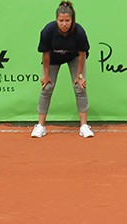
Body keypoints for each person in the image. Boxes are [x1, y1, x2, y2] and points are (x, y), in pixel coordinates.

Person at [31, 1, 94, 139]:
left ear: (72, 20)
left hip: (74, 57)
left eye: (67, 20)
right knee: (46, 88)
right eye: (61, 20)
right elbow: (46, 54)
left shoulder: (79, 31)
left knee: (80, 87)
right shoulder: (48, 31)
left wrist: (79, 75)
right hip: (53, 58)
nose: (64, 24)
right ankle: (40, 126)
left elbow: (82, 54)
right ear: (56, 20)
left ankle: (84, 126)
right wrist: (46, 75)